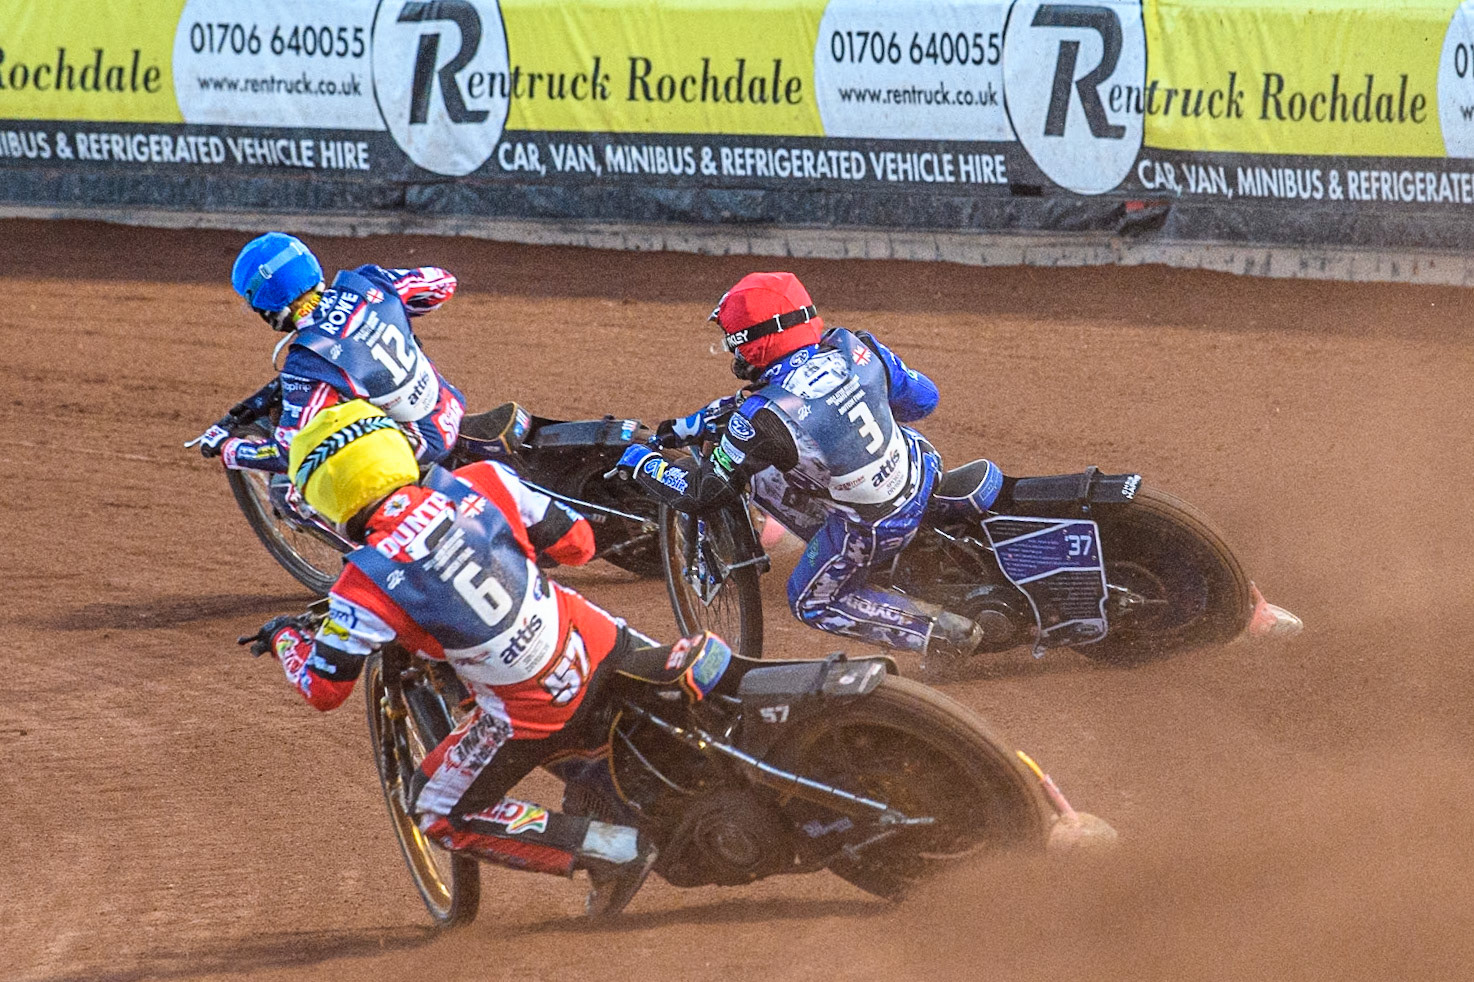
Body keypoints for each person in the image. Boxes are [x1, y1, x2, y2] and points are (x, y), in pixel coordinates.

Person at [240, 399, 733, 917]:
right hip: (606, 644)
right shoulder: (482, 479)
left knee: (435, 811)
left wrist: (285, 640)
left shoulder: (361, 587)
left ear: (326, 496)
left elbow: (323, 689)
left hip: (537, 711)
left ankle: (614, 850)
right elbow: (580, 545)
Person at [623, 271, 1002, 661]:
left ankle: (941, 634)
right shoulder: (854, 345)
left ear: (755, 343)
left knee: (809, 601)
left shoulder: (763, 418)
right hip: (922, 466)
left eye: (734, 342)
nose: (733, 353)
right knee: (778, 470)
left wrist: (641, 462)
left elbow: (704, 491)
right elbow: (923, 400)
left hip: (876, 524)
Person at [196, 233, 466, 474]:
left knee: (293, 492)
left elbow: (290, 454)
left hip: (416, 450)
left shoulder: (306, 363)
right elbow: (443, 282)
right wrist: (401, 317)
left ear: (268, 309)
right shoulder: (369, 281)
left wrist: (229, 450)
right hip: (449, 405)